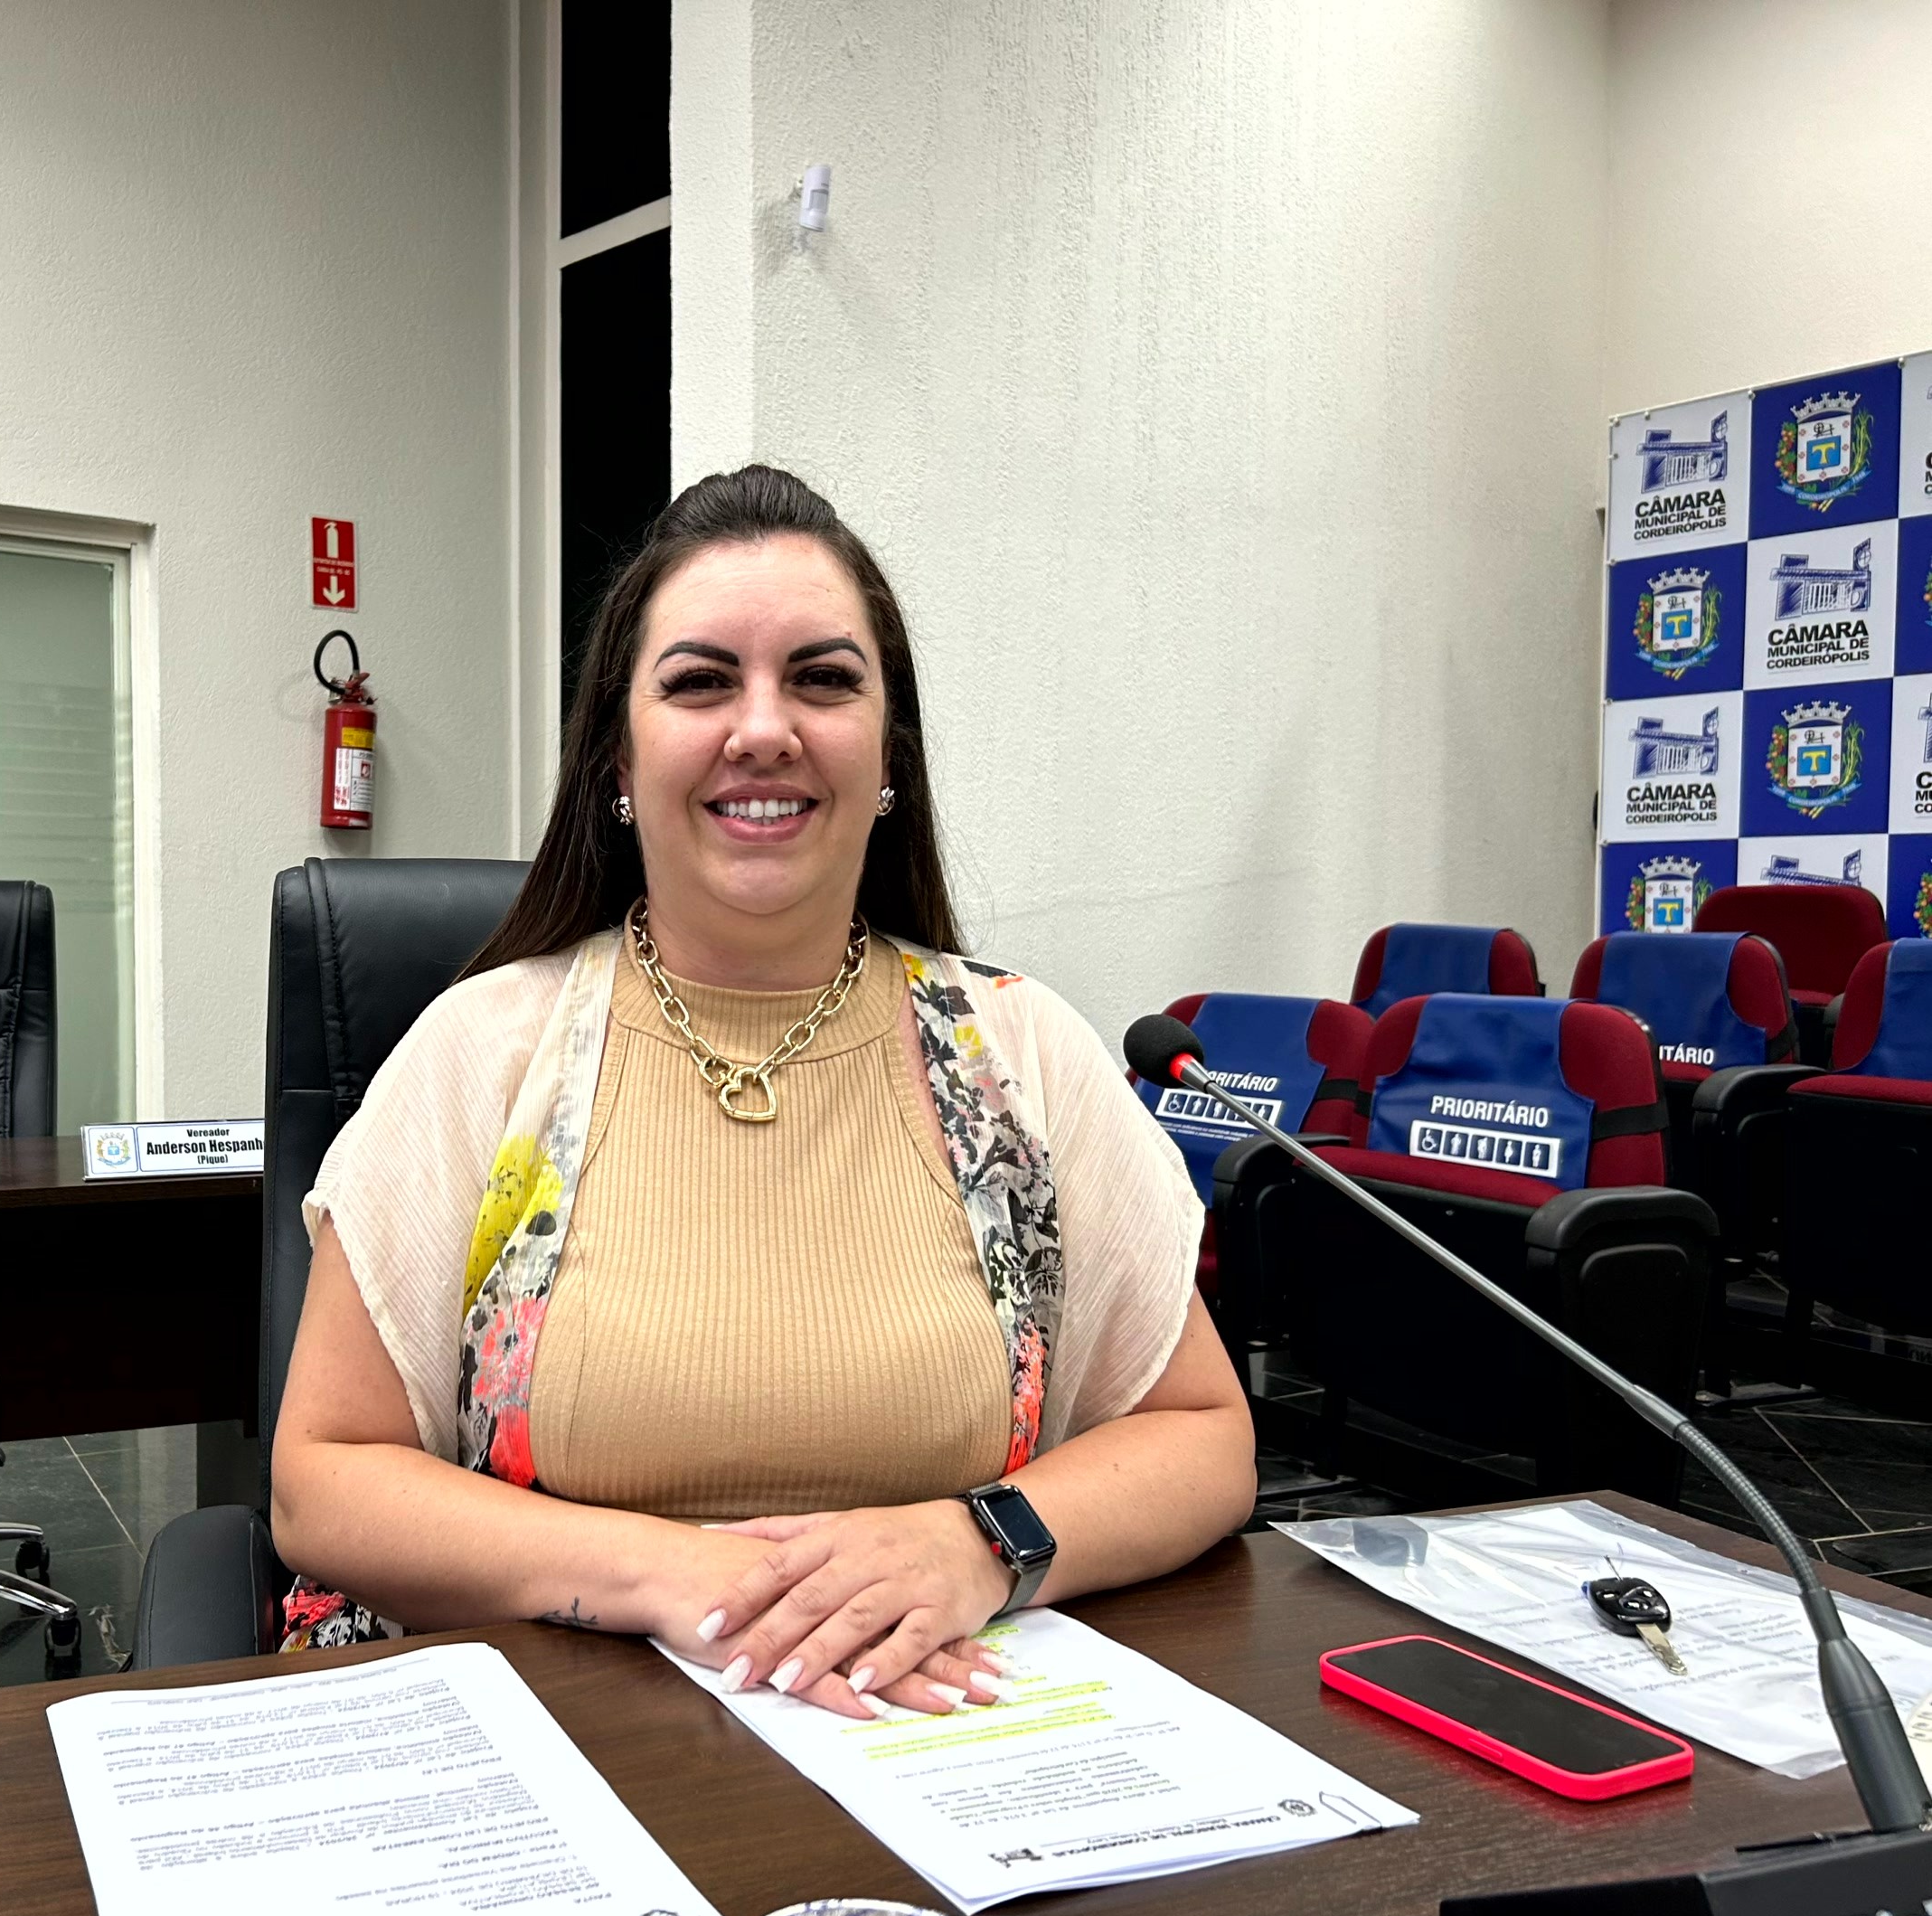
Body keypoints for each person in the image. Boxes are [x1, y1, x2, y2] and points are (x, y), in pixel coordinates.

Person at [271, 465, 1252, 1719]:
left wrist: (981, 1539)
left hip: (933, 1746)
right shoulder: (485, 1050)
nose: (764, 728)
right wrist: (668, 1573)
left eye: (823, 679)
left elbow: (1204, 1436)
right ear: (618, 759)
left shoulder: (1018, 1054)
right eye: (699, 682)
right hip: (549, 1740)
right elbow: (322, 1478)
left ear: (888, 756)